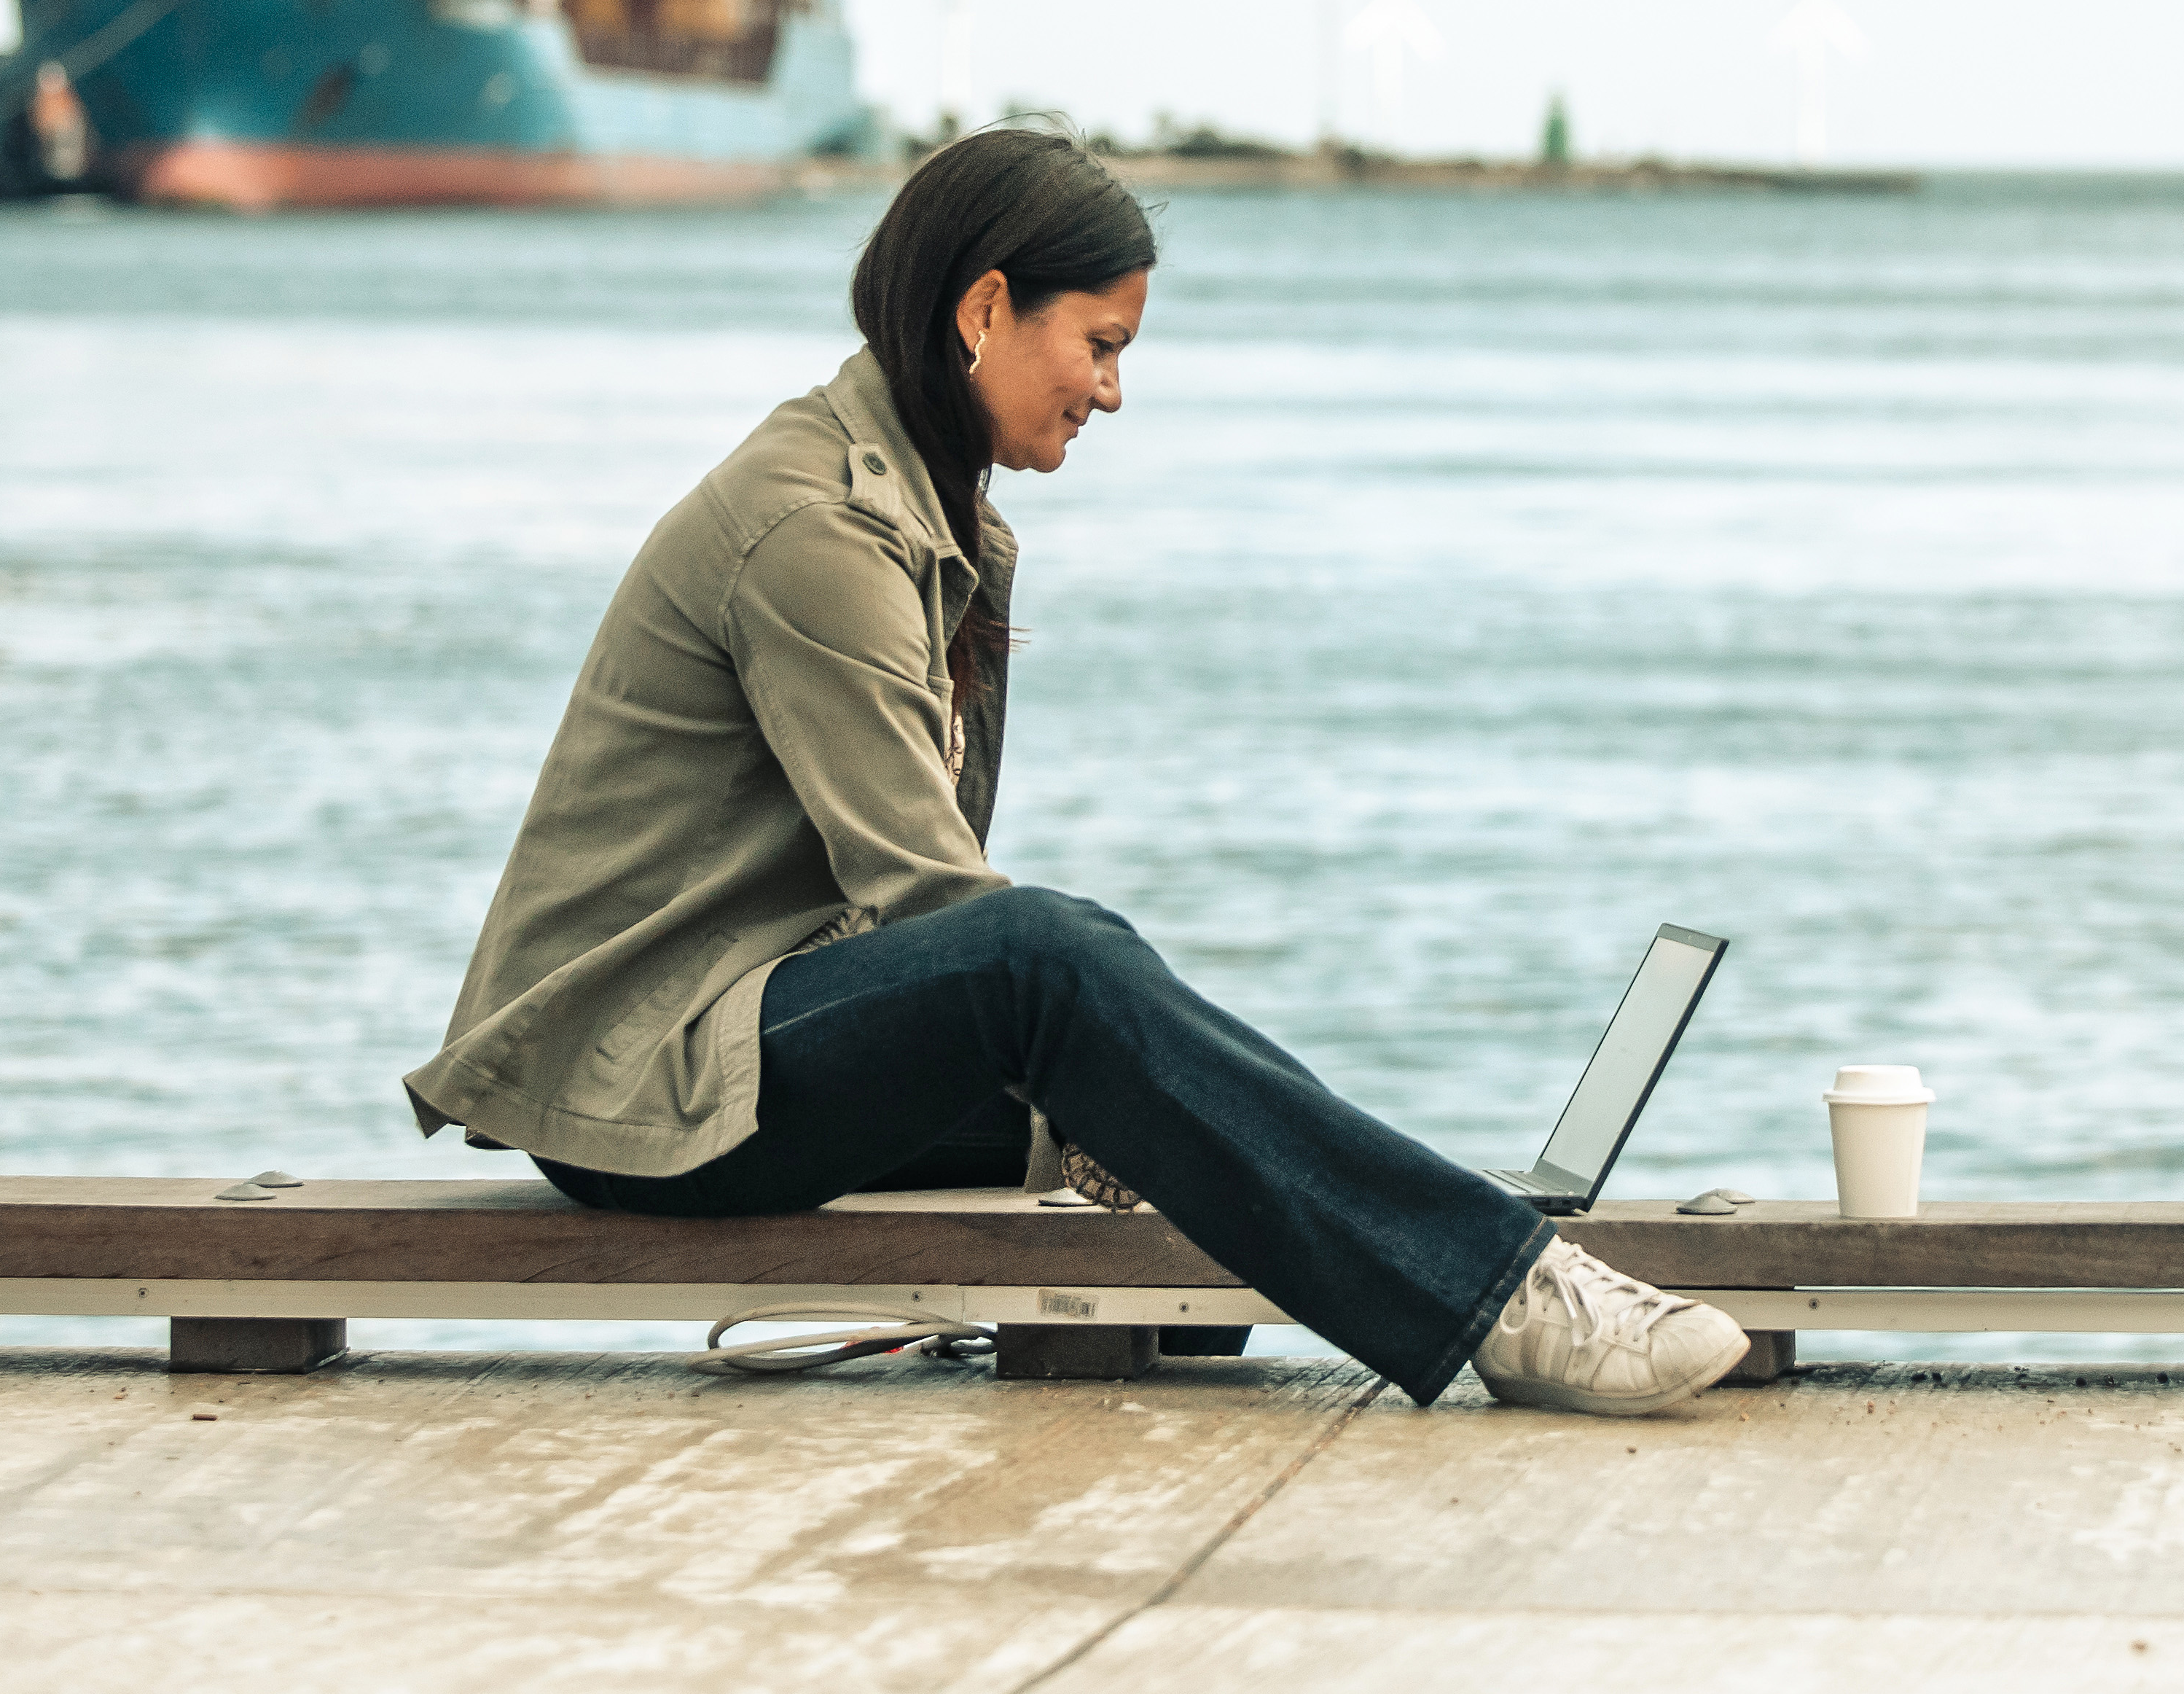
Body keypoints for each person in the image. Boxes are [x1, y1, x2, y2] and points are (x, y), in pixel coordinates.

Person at [404, 121, 1752, 1416]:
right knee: (1057, 965)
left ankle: (1372, 1267)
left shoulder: (930, 515)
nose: (1111, 389)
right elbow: (937, 909)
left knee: (1191, 1086)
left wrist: (1134, 1094)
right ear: (985, 309)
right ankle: (1511, 1298)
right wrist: (1092, 1051)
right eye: (1100, 344)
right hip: (640, 1081)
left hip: (739, 1038)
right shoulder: (812, 528)